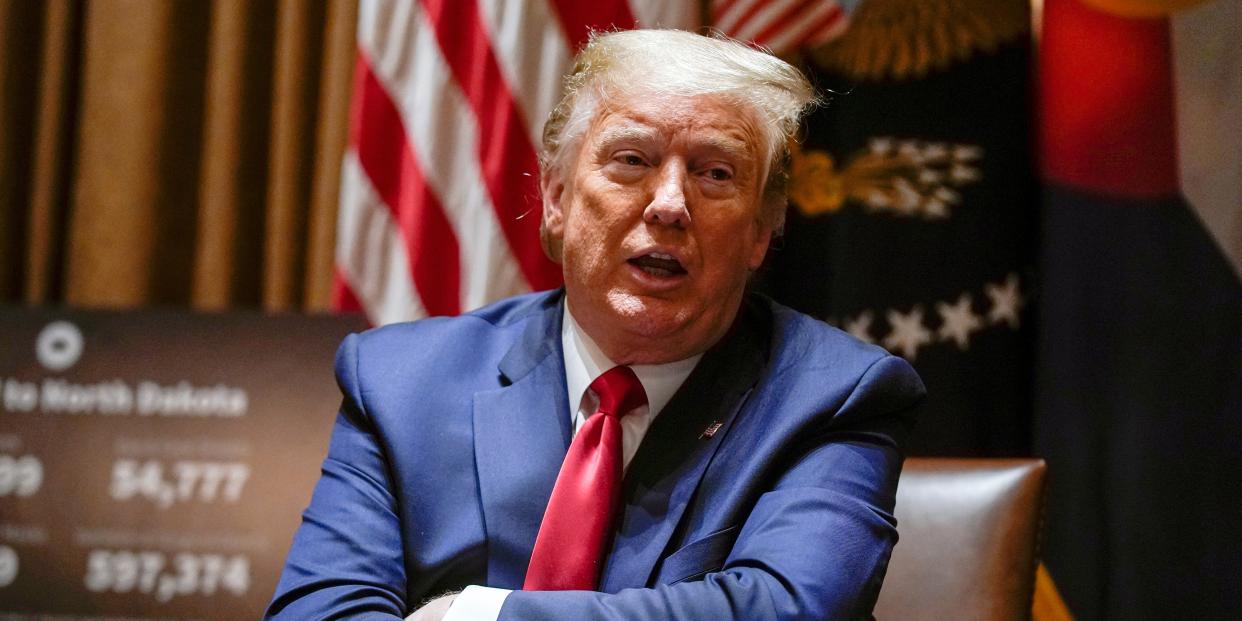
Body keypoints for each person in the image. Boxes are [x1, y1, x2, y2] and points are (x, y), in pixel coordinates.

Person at [266, 29, 924, 621]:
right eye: (632, 160)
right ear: (555, 198)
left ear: (761, 231)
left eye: (715, 173)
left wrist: (478, 619)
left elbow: (788, 607)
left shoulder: (836, 397)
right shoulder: (400, 382)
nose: (670, 204)